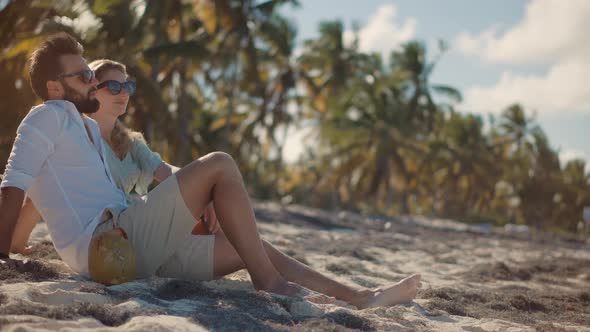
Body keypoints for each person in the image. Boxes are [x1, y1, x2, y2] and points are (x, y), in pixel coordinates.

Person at [0, 33, 421, 309]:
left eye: (93, 71)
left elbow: (43, 195)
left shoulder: (86, 129)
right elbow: (14, 185)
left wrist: (19, 246)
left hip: (125, 251)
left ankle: (359, 296)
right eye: (84, 75)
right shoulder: (46, 116)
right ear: (55, 88)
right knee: (220, 163)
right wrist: (3, 256)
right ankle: (269, 284)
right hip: (111, 245)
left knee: (247, 242)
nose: (92, 81)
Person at [8, 59, 216, 255]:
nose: (123, 93)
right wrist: (16, 242)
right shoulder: (74, 137)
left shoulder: (131, 142)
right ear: (92, 89)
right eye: (114, 86)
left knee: (216, 201)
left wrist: (202, 190)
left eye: (127, 86)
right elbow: (41, 191)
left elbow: (166, 171)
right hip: (103, 234)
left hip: (134, 220)